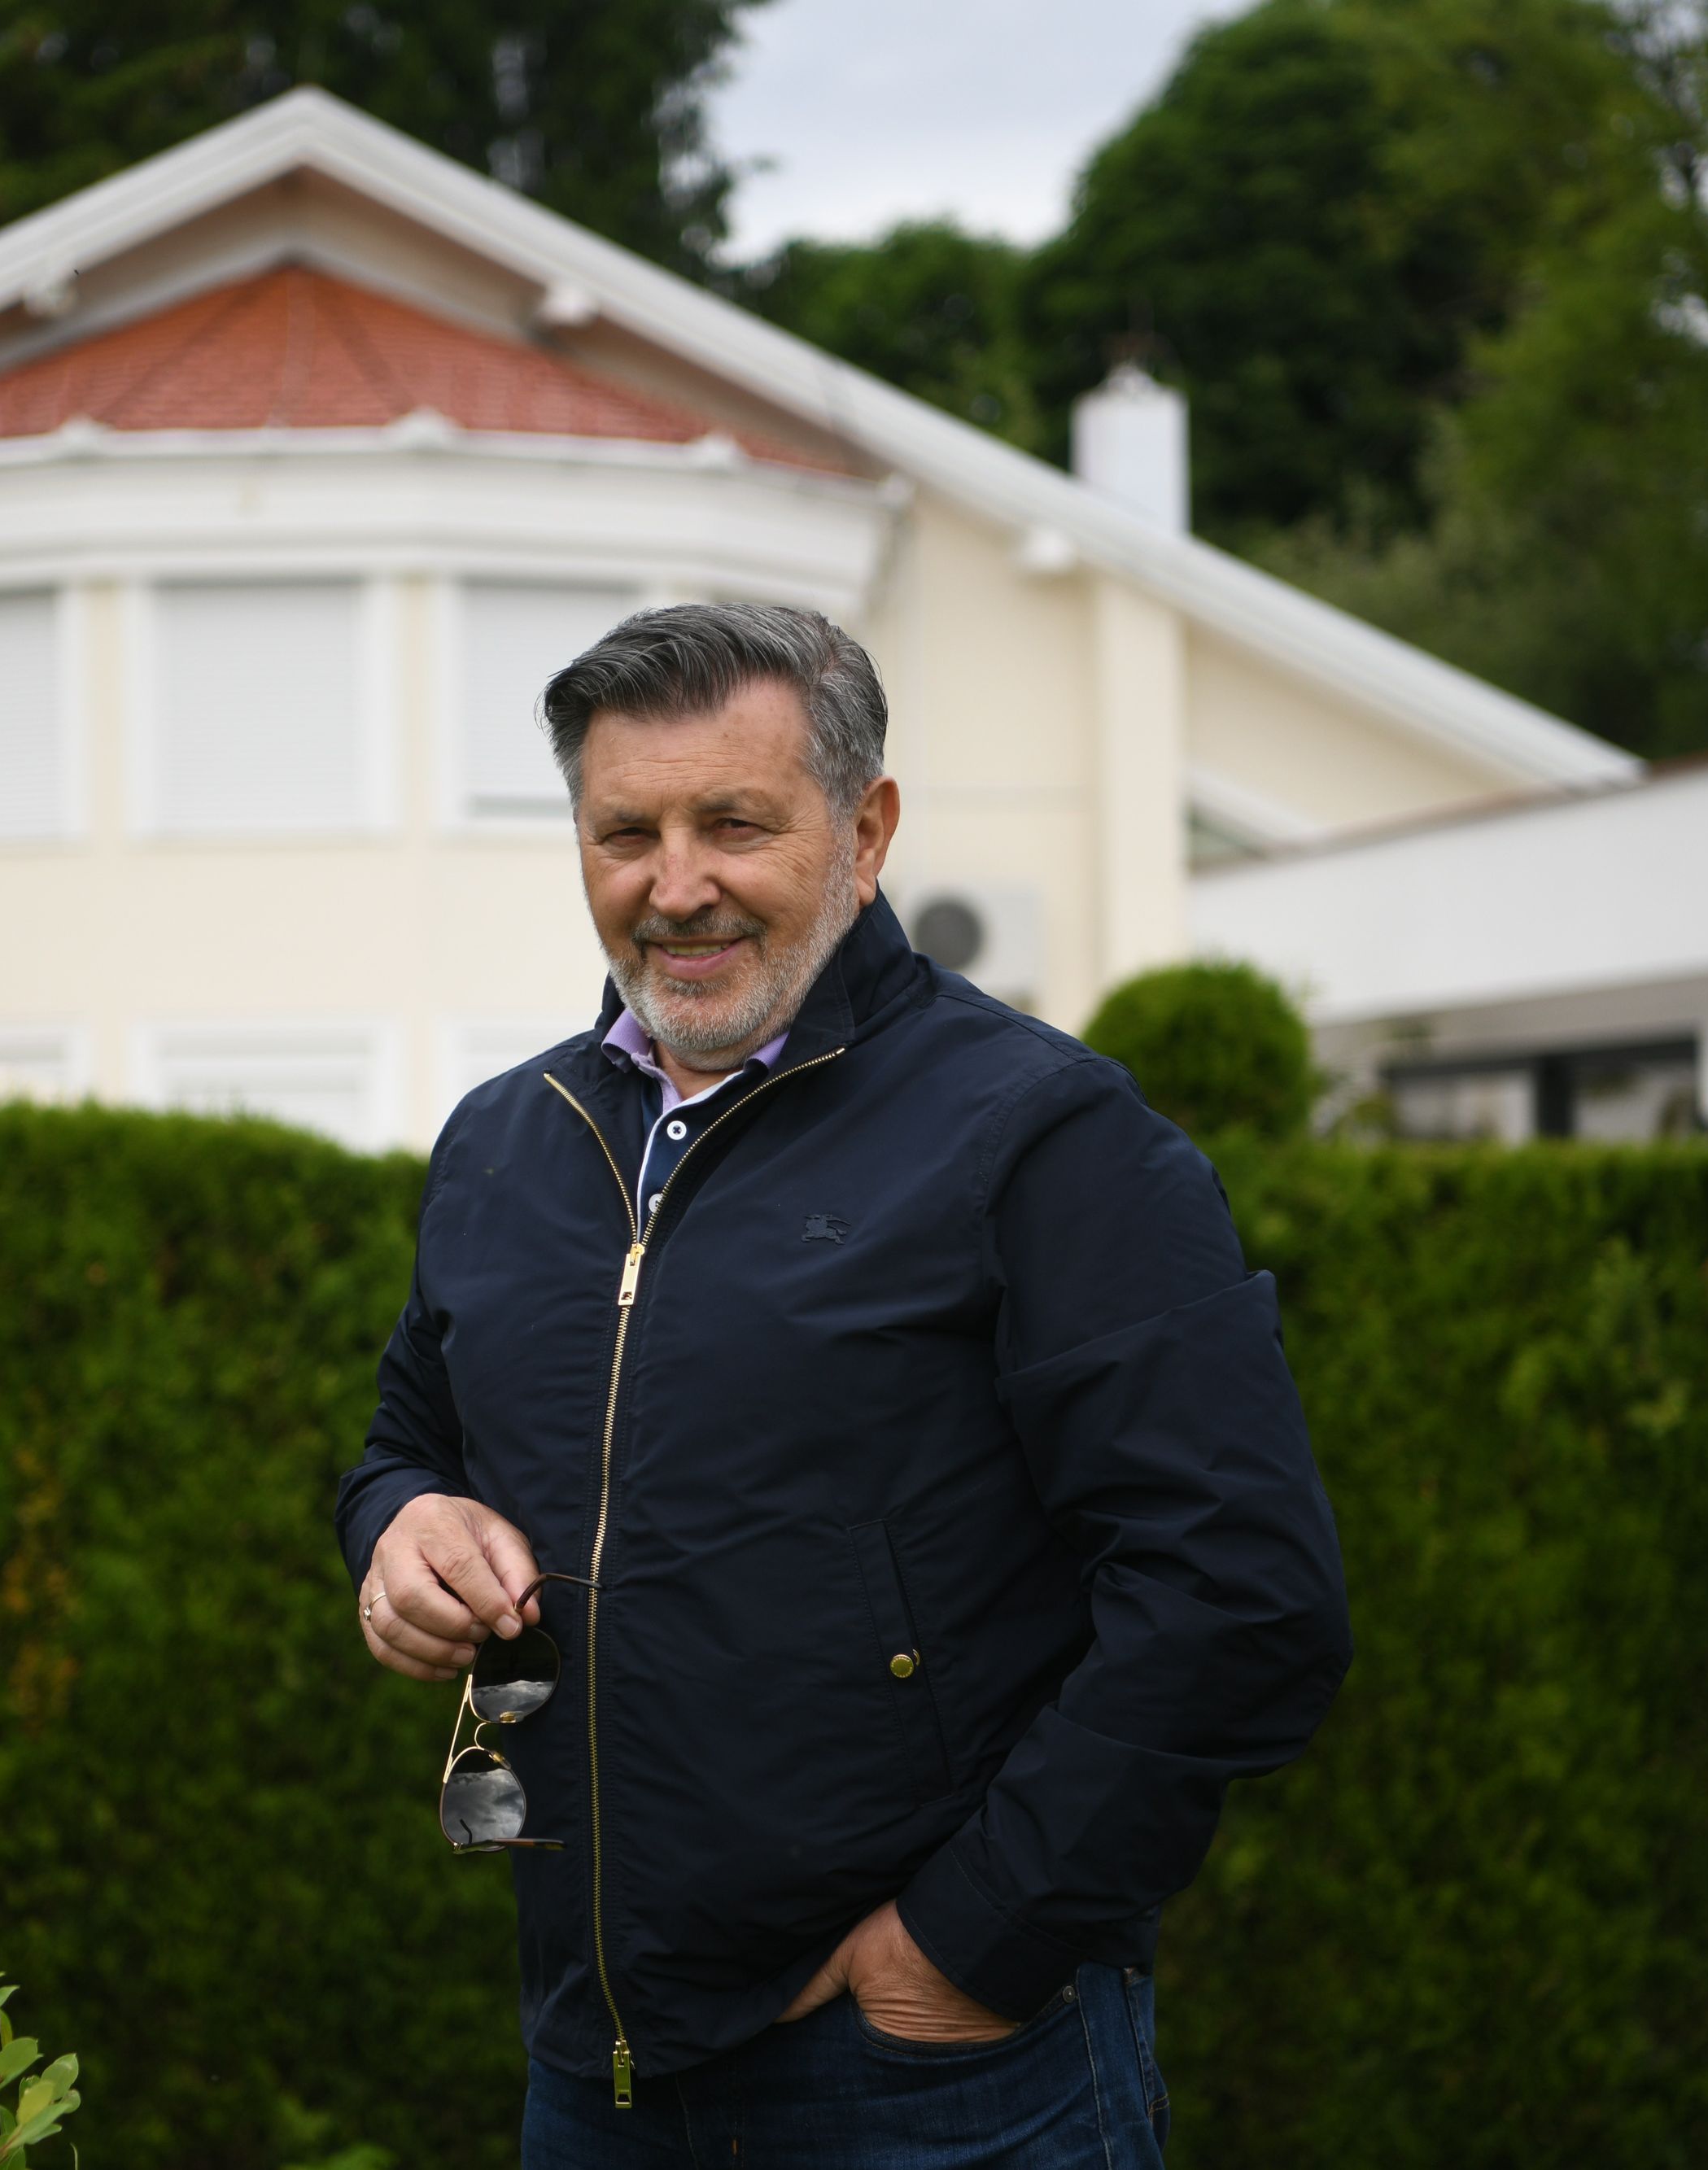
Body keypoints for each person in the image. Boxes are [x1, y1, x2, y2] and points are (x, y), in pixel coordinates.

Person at [337, 602, 1351, 2168]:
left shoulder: (1042, 1134)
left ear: (867, 832)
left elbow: (1242, 1592)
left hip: (935, 2087)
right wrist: (398, 1527)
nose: (676, 886)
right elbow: (409, 1435)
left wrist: (966, 1947)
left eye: (734, 823)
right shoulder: (506, 1138)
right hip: (594, 2072)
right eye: (627, 832)